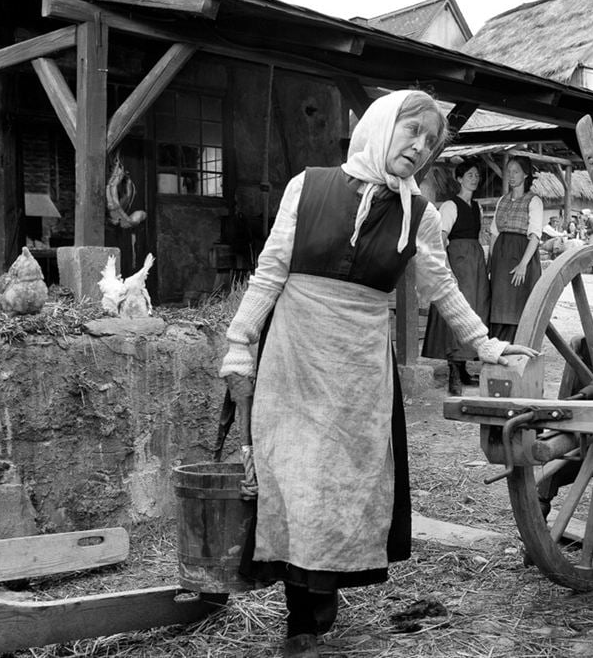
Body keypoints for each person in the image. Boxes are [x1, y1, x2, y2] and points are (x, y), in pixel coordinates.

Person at [218, 89, 536, 658]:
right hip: (295, 351)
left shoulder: (422, 213)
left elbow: (443, 288)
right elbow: (269, 270)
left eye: (429, 142)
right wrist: (240, 344)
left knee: (339, 483)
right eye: (410, 131)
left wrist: (486, 346)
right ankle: (301, 619)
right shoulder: (307, 186)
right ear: (380, 125)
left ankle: (317, 606)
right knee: (292, 473)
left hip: (358, 363)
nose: (418, 146)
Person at [421, 160, 490, 396]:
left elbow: (479, 236)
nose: (474, 178)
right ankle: (453, 371)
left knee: (474, 309)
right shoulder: (450, 206)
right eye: (469, 174)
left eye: (477, 175)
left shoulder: (477, 207)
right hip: (457, 261)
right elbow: (441, 238)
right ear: (459, 178)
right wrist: (448, 268)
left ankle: (462, 368)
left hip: (475, 262)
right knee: (455, 309)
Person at [488, 155, 543, 342]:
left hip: (522, 254)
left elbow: (535, 236)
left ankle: (517, 346)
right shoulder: (502, 201)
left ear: (526, 174)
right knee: (499, 302)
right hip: (501, 258)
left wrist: (523, 265)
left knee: (518, 303)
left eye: (516, 171)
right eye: (508, 171)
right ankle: (498, 346)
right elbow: (494, 233)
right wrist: (491, 262)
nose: (511, 175)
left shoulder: (534, 201)